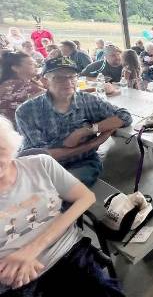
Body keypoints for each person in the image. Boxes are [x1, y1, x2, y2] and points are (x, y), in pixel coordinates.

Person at [0, 116, 126, 296]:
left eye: (0, 150)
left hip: (68, 255)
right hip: (16, 280)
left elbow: (85, 197)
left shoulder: (40, 164)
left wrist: (31, 250)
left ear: (10, 145)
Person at [16, 56, 132, 186]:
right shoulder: (26, 111)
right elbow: (43, 155)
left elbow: (124, 116)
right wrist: (92, 144)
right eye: (59, 78)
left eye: (72, 76)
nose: (68, 82)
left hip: (83, 163)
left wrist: (84, 131)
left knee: (68, 188)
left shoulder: (88, 100)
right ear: (45, 81)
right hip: (42, 167)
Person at [0, 52, 45, 124]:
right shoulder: (20, 86)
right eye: (30, 64)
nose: (35, 65)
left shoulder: (6, 84)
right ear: (16, 68)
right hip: (15, 131)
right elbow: (56, 97)